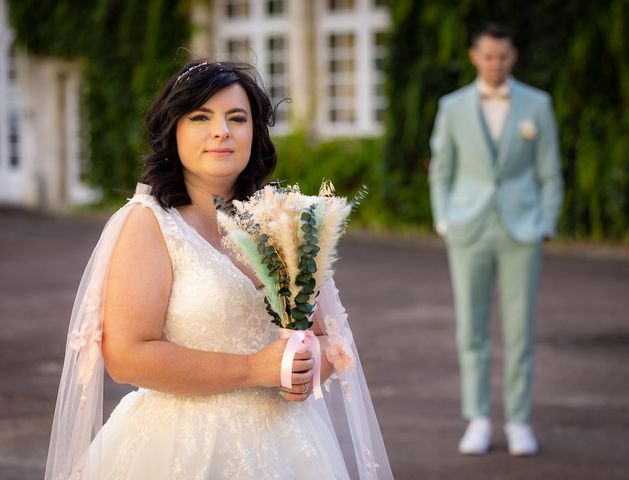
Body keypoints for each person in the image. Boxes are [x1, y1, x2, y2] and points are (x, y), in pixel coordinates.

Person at [45, 60, 393, 479]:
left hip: (289, 446)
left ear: (254, 132)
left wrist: (304, 369)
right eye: (201, 117)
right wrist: (252, 370)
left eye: (237, 118)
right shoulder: (150, 224)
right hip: (182, 448)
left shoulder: (282, 219)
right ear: (173, 131)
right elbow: (126, 356)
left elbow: (324, 334)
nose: (221, 131)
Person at [429, 24, 563, 456]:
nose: (495, 64)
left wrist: (545, 222)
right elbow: (441, 169)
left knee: (520, 330)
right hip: (468, 227)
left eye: (502, 57)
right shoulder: (452, 107)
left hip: (522, 229)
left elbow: (550, 172)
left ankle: (520, 420)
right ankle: (479, 419)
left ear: (513, 56)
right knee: (471, 327)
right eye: (488, 56)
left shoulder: (536, 104)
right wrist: (444, 220)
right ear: (475, 56)